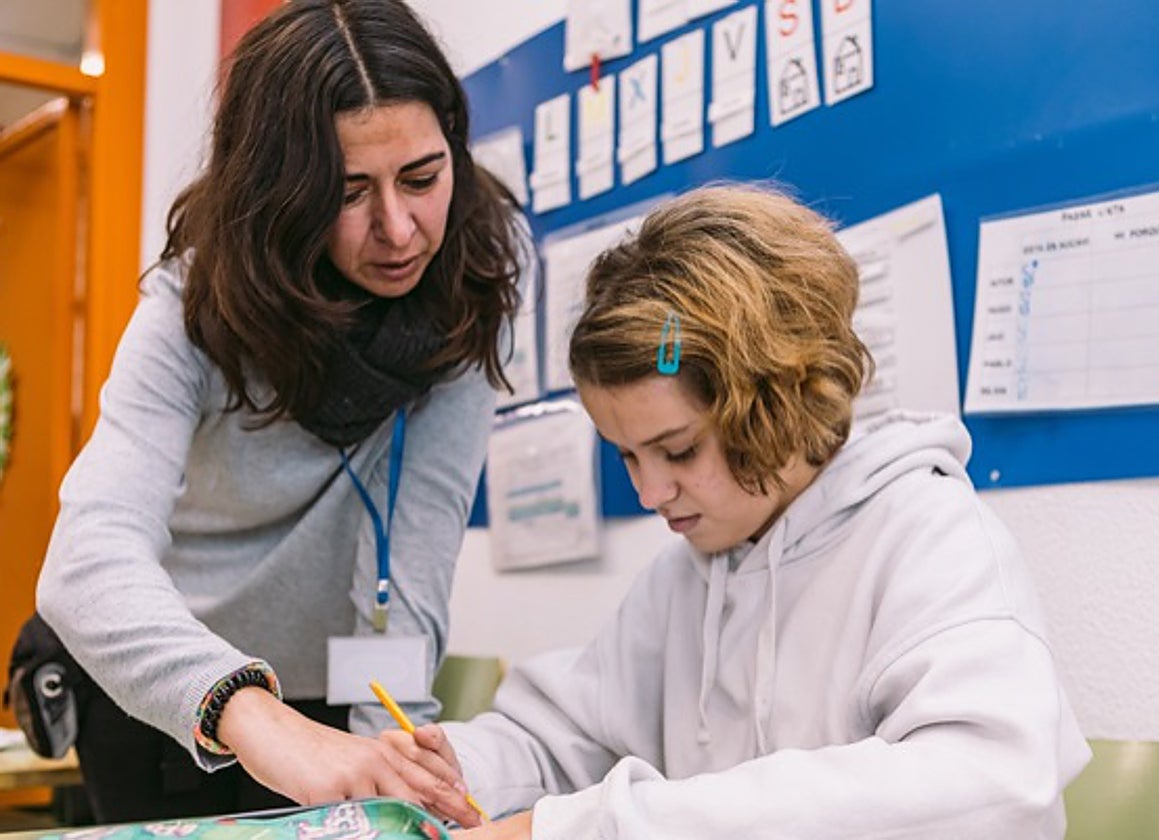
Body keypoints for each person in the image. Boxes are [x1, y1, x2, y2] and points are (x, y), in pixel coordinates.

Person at [385, 183, 1090, 839]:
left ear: (778, 403)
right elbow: (561, 738)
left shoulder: (929, 537)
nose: (650, 493)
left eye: (680, 450)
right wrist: (455, 768)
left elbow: (994, 787)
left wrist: (593, 825)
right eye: (628, 456)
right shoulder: (686, 578)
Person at [36, 0, 523, 822]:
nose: (399, 229)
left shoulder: (472, 275)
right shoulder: (196, 302)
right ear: (283, 194)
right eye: (348, 193)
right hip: (166, 691)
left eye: (422, 177)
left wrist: (403, 766)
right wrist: (250, 710)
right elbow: (87, 563)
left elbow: (414, 553)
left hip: (330, 701)